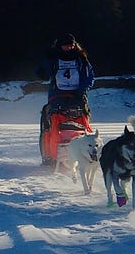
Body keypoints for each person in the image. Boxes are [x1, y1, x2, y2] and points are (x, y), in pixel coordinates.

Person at [38, 33, 95, 163]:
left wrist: (81, 91)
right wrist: (44, 65)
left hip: (78, 96)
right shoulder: (53, 58)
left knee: (80, 123)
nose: (69, 48)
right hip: (56, 96)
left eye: (71, 45)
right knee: (53, 124)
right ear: (60, 46)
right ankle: (51, 156)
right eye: (66, 46)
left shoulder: (81, 59)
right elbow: (44, 73)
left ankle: (83, 155)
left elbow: (89, 76)